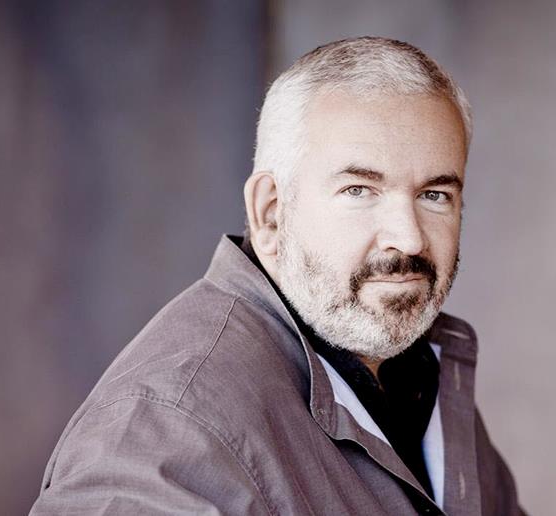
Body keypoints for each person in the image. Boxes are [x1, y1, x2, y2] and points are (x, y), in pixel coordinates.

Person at [31, 36, 525, 515]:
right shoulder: (168, 429)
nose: (410, 239)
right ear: (270, 212)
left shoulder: (415, 372)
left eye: (434, 196)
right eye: (359, 190)